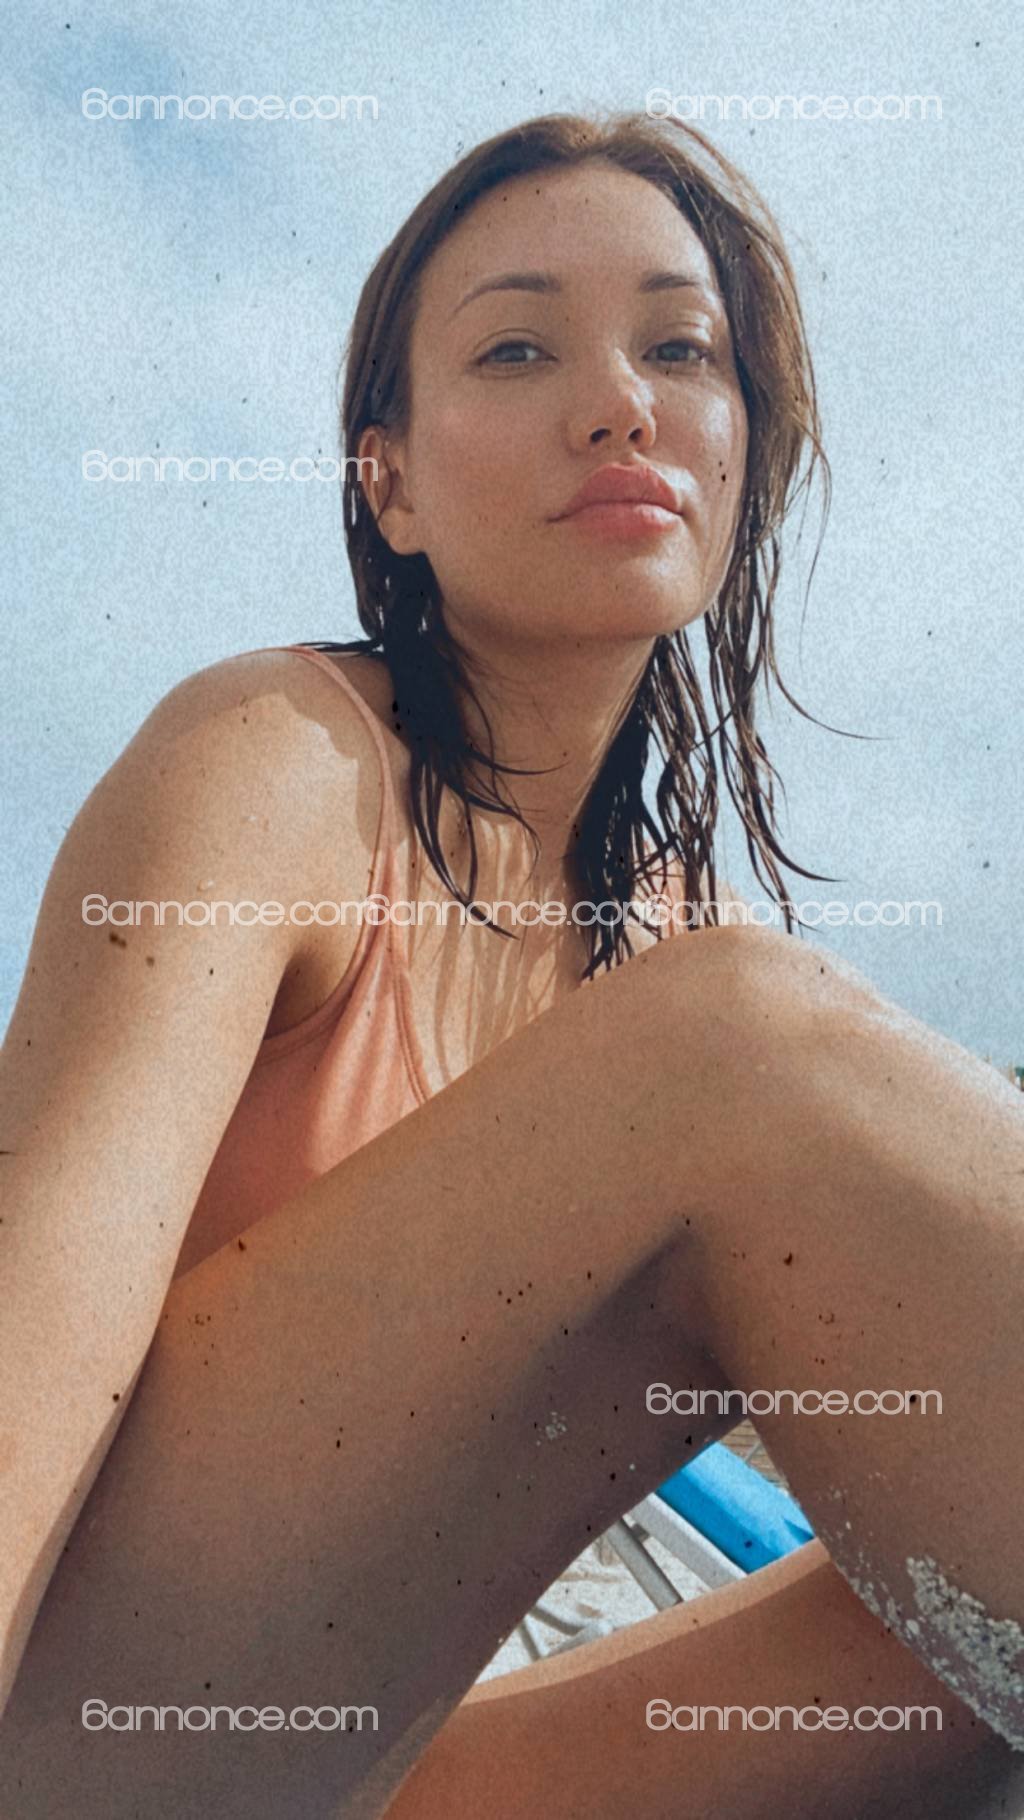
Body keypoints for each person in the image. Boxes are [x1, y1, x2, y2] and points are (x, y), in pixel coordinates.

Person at [1, 110, 1021, 1820]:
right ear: (388, 481)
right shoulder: (276, 760)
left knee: (955, 1641)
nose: (621, 404)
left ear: (743, 454)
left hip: (385, 1759)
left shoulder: (684, 929)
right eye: (519, 348)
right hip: (77, 1722)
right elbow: (38, 1286)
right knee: (737, 1051)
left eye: (680, 350)